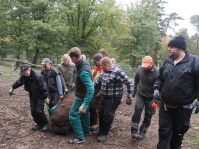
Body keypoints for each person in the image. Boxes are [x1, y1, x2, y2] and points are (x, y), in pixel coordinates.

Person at [153, 36, 199, 149]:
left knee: (178, 134)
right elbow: (159, 78)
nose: (168, 49)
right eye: (168, 46)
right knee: (164, 132)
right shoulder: (167, 61)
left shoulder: (194, 61)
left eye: (171, 47)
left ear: (180, 48)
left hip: (183, 107)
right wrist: (156, 88)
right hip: (165, 105)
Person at [94, 57, 134, 142]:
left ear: (107, 65)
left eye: (102, 66)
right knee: (100, 112)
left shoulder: (117, 72)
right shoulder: (104, 71)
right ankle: (100, 130)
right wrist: (91, 87)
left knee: (107, 115)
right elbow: (99, 81)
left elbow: (129, 83)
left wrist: (129, 96)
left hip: (113, 98)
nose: (101, 68)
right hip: (104, 96)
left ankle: (104, 133)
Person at [8, 65, 49, 131]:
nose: (25, 74)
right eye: (23, 73)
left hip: (40, 96)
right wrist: (13, 87)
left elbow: (44, 87)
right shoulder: (24, 76)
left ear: (29, 70)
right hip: (32, 95)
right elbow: (19, 82)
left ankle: (45, 124)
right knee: (33, 111)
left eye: (26, 72)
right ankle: (39, 124)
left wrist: (45, 97)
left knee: (39, 111)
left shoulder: (38, 76)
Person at [67, 47, 94, 144]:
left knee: (73, 114)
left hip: (82, 96)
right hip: (83, 95)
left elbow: (91, 88)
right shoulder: (83, 62)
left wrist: (85, 104)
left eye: (70, 57)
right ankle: (86, 131)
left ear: (74, 57)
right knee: (84, 113)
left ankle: (79, 137)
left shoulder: (83, 71)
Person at [131, 56, 159, 140]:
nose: (145, 67)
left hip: (151, 98)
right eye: (144, 65)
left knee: (148, 115)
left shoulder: (157, 72)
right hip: (140, 94)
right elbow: (136, 80)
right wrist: (134, 91)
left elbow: (160, 87)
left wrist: (157, 100)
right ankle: (134, 131)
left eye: (147, 65)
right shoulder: (140, 69)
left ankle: (142, 132)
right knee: (137, 112)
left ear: (152, 63)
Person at [90, 54, 103, 131]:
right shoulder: (94, 68)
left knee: (96, 107)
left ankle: (96, 122)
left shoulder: (104, 69)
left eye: (95, 61)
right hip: (92, 90)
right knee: (92, 107)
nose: (94, 62)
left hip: (99, 91)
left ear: (99, 61)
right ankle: (93, 122)